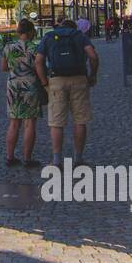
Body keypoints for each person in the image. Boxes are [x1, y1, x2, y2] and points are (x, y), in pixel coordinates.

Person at [34, 17, 99, 168]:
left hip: (56, 80)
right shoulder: (80, 36)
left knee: (56, 123)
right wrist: (93, 75)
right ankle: (78, 158)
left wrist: (44, 82)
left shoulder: (49, 36)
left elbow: (38, 61)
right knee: (80, 120)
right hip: (79, 79)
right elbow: (93, 56)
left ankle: (57, 160)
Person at [1, 18, 42, 168]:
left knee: (14, 122)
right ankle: (27, 158)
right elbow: (40, 67)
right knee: (30, 123)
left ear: (19, 32)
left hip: (13, 85)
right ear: (31, 32)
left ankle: (10, 157)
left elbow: (4, 68)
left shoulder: (9, 47)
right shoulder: (35, 48)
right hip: (30, 84)